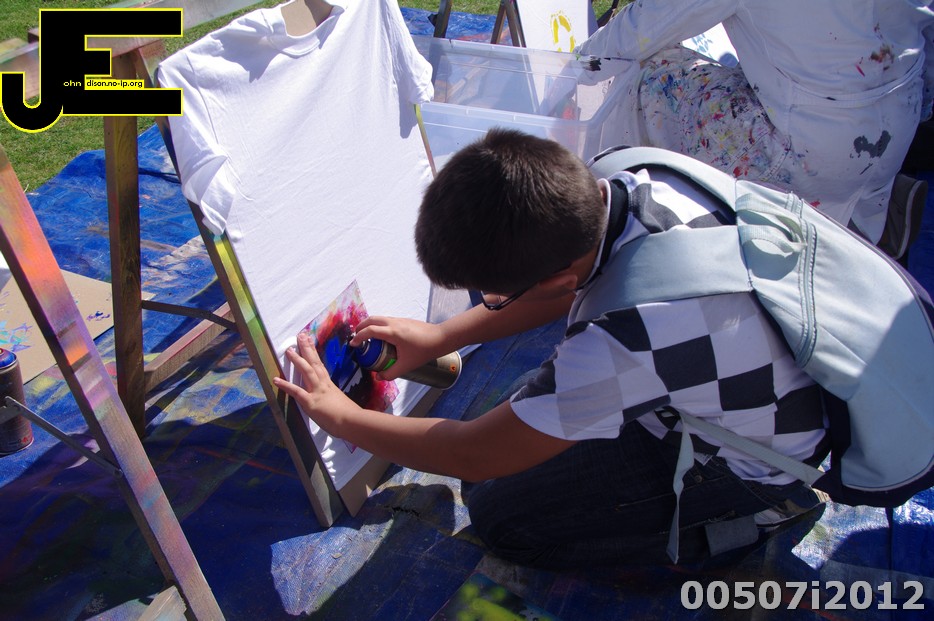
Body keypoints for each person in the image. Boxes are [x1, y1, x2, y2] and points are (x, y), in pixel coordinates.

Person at [273, 129, 828, 569]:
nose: (490, 303)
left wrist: (342, 418)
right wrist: (443, 336)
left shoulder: (625, 338)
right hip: (744, 378)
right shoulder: (620, 175)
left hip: (754, 462)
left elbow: (473, 455)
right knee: (524, 422)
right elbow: (566, 288)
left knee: (499, 512)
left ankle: (737, 523)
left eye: (496, 296)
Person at [576, 0, 934, 259]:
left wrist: (573, 69)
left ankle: (624, 230)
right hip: (897, 130)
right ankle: (863, 222)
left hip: (810, 152)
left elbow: (644, 28)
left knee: (655, 71)